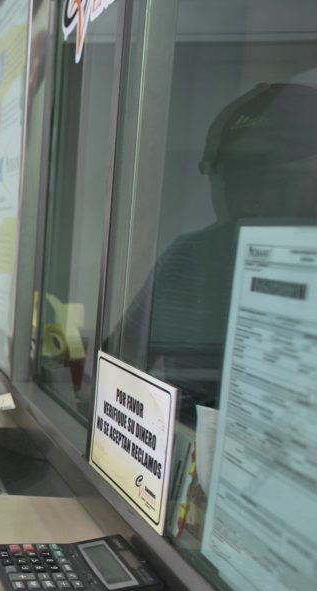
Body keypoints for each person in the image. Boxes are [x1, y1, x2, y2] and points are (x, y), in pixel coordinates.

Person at [117, 82, 317, 425]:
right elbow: (117, 366)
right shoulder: (188, 258)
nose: (248, 203)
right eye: (233, 183)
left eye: (274, 182)